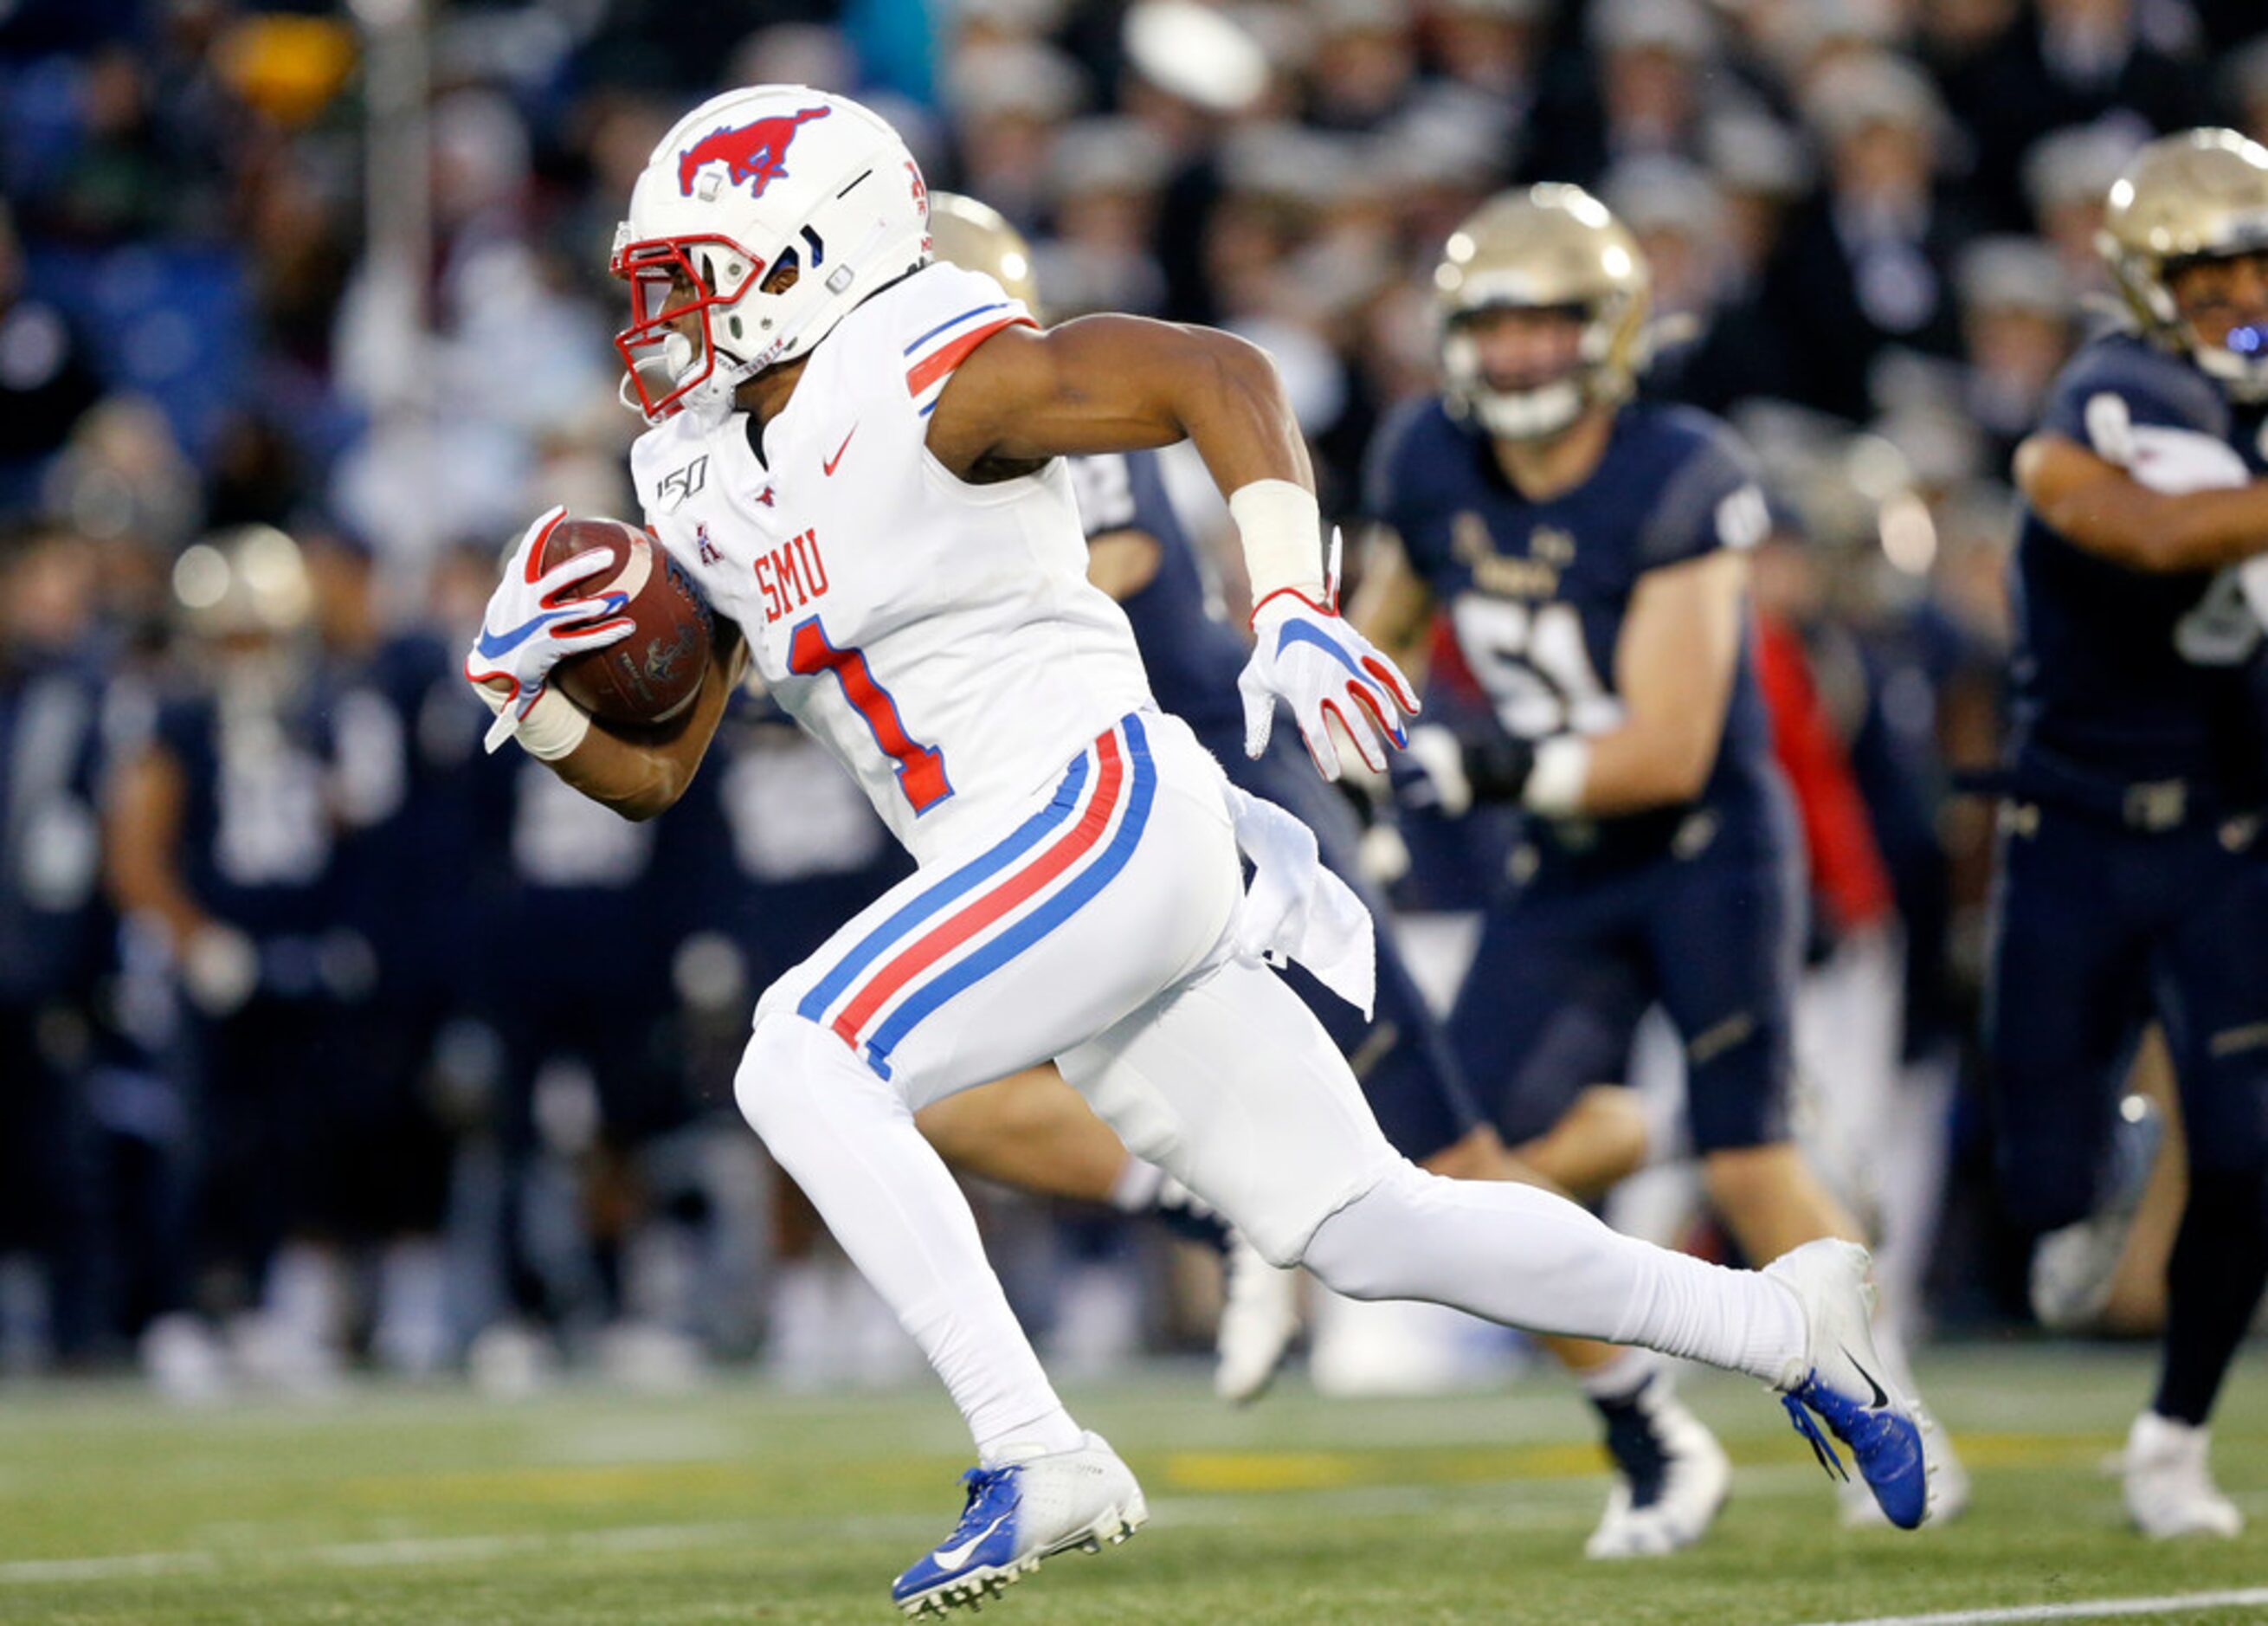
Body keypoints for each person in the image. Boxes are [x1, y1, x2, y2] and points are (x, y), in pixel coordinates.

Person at [465, 87, 1929, 1616]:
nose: (663, 317)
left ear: (808, 258)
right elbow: (664, 768)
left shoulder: (923, 371)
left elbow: (1212, 373)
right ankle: (1786, 1324)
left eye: (693, 275)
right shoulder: (698, 466)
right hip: (1028, 870)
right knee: (1366, 1223)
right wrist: (532, 700)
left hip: (1093, 809)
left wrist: (1289, 600)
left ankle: (1034, 1447)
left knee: (797, 1053)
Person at [916, 191, 1727, 1558]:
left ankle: (1653, 1405)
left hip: (1222, 825)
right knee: (930, 1082)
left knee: (1442, 1164)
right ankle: (1206, 1201)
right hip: (1083, 836)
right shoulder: (860, 467)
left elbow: (1095, 575)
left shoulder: (1015, 414)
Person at [1353, 184, 1964, 1529]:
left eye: (1545, 323)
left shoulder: (1680, 469)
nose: (1515, 354)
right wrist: (1343, 741)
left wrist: (1477, 765)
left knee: (1747, 1155)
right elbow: (1378, 639)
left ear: (1610, 330)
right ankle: (1647, 1422)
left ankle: (1888, 1400)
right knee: (1458, 1180)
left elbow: (1670, 747)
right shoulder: (1428, 457)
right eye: (1492, 324)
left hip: (1704, 849)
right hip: (1559, 859)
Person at [1994, 126, 2268, 1539]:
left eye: (2254, 261)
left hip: (2226, 822)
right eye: (2205, 266)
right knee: (2034, 1173)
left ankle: (2174, 1434)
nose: (2236, 290)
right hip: (2076, 819)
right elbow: (2163, 534)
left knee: (2250, 1150)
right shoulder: (2118, 382)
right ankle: (2094, 1162)